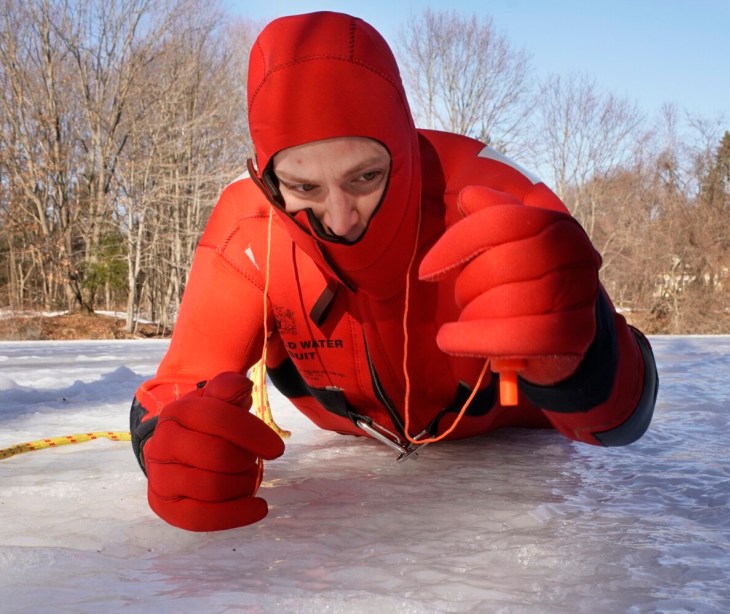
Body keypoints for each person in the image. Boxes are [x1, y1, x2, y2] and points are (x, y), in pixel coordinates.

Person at [129, 11, 658, 532]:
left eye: (365, 176)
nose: (339, 219)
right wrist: (171, 451)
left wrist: (581, 361)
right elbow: (177, 386)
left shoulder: (496, 196)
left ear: (403, 149)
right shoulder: (248, 229)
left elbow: (621, 418)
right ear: (265, 177)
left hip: (522, 502)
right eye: (304, 188)